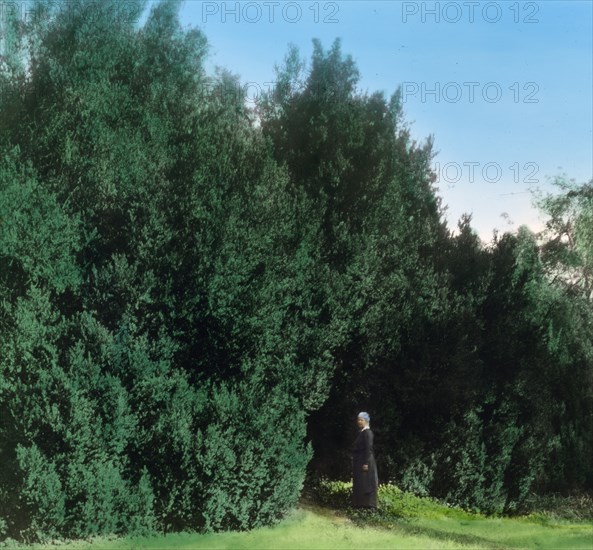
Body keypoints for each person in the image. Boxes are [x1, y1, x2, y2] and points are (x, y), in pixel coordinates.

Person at [352, 411, 378, 508]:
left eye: (361, 420)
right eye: (358, 420)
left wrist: (366, 463)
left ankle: (368, 505)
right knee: (361, 483)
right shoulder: (362, 432)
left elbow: (368, 448)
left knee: (366, 483)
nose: (359, 422)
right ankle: (360, 504)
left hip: (366, 461)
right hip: (361, 460)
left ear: (366, 421)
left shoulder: (367, 433)